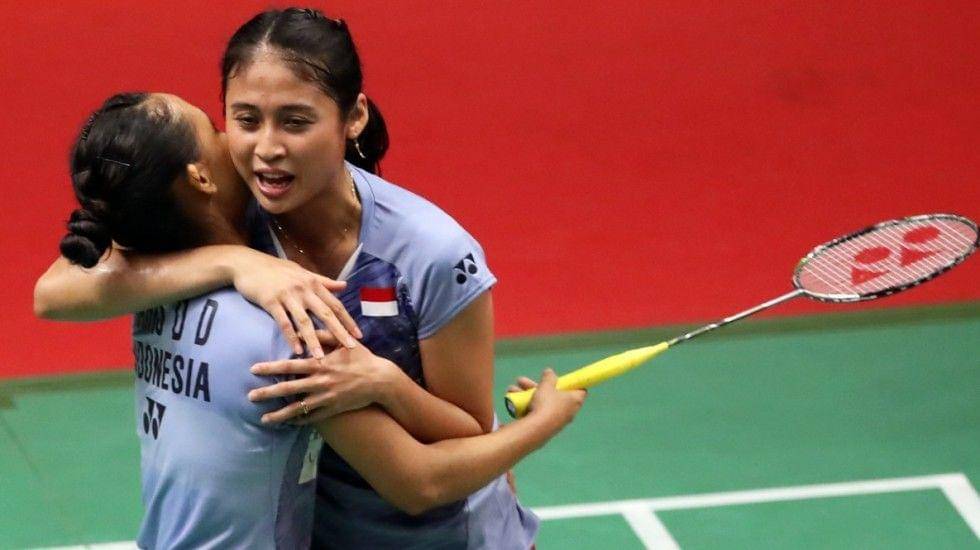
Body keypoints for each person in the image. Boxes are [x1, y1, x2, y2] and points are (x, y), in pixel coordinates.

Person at [36, 7, 546, 547]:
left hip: (454, 536)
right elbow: (54, 291)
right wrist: (236, 262)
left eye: (296, 122)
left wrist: (386, 384)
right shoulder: (228, 212)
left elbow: (470, 432)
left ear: (353, 117)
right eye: (245, 120)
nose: (267, 148)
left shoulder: (430, 252)